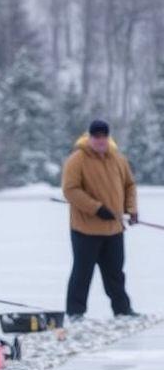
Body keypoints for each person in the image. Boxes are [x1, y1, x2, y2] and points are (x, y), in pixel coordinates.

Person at [61, 119, 138, 320]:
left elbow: (129, 185)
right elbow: (70, 190)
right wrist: (96, 208)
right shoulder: (77, 159)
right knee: (82, 273)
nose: (100, 141)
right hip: (85, 229)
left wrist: (131, 210)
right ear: (90, 137)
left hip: (114, 229)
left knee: (115, 274)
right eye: (96, 137)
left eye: (104, 136)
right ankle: (76, 312)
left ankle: (122, 310)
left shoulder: (118, 159)